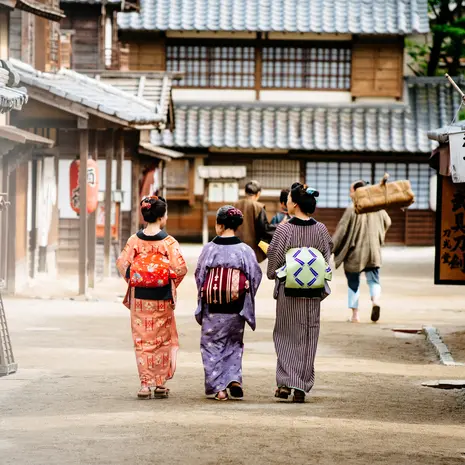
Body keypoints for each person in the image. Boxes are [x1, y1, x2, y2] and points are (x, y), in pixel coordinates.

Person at [116, 196, 188, 399]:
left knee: (142, 341)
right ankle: (160, 383)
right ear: (163, 216)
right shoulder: (168, 242)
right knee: (161, 340)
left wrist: (137, 279)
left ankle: (145, 384)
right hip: (162, 295)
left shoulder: (134, 240)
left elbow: (122, 264)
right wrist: (167, 281)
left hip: (140, 299)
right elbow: (181, 268)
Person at [267, 183, 333, 403]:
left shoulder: (284, 229)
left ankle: (286, 381)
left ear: (294, 204)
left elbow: (274, 260)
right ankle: (301, 385)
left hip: (289, 290)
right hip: (312, 290)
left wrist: (272, 274)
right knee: (308, 335)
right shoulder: (321, 229)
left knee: (286, 334)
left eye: (288, 199)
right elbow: (326, 254)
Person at [195, 206, 262, 401]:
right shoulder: (244, 250)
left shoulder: (209, 249)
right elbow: (255, 275)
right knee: (234, 343)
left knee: (211, 345)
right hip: (236, 307)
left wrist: (206, 292)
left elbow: (200, 276)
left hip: (214, 307)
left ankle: (219, 388)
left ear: (220, 225)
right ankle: (234, 379)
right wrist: (245, 292)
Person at [332, 180, 391, 324]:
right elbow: (387, 222)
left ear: (357, 192)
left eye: (351, 190)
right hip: (373, 252)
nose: (350, 193)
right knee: (374, 280)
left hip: (355, 253)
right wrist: (378, 237)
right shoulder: (378, 208)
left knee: (353, 283)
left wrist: (330, 247)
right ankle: (375, 301)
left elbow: (341, 231)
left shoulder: (352, 208)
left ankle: (355, 315)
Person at [235, 180, 276, 263]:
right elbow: (264, 229)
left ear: (245, 192)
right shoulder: (258, 207)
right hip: (252, 249)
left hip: (235, 247)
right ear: (258, 194)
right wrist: (279, 226)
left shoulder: (235, 205)